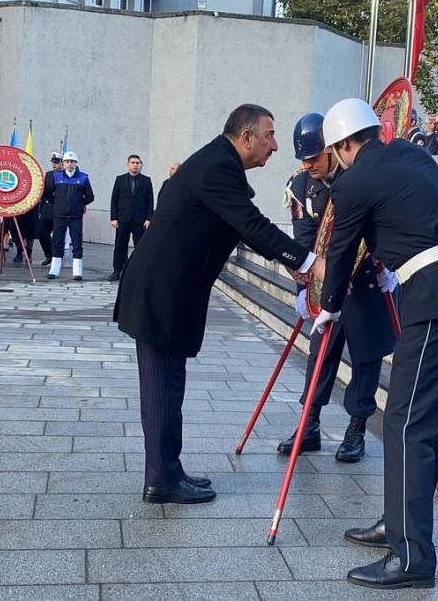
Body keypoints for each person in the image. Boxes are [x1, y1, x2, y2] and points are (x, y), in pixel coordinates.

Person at [310, 98, 438, 589]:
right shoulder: (413, 158)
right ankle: (400, 523)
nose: (337, 158)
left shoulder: (352, 183)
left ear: (345, 145)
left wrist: (327, 306)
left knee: (406, 421)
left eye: (334, 150)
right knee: (428, 422)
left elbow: (342, 249)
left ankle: (411, 556)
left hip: (435, 295)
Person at [114, 104, 315, 505]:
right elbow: (252, 223)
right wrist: (307, 261)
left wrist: (289, 263)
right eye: (269, 135)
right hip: (160, 292)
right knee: (160, 389)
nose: (275, 145)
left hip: (169, 291)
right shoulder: (218, 166)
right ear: (245, 137)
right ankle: (161, 479)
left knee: (170, 386)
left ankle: (169, 469)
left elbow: (240, 226)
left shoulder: (217, 162)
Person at [278, 112, 396, 463]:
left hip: (365, 282)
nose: (309, 164)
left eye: (315, 156)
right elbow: (302, 242)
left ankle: (356, 428)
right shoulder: (301, 186)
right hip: (323, 283)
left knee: (366, 357)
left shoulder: (363, 175)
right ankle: (309, 424)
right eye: (304, 158)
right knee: (320, 356)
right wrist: (304, 287)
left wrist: (385, 263)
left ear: (332, 149)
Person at [45, 150, 94, 280]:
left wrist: (78, 203)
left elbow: (90, 196)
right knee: (57, 242)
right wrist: (58, 203)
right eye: (67, 161)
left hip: (75, 216)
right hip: (59, 215)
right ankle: (54, 270)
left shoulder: (83, 177)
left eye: (72, 162)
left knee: (77, 243)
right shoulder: (56, 177)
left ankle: (77, 271)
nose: (69, 164)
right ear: (63, 163)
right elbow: (48, 193)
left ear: (76, 163)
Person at [108, 154, 154, 281]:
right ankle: (117, 270)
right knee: (120, 246)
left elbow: (150, 201)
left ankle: (138, 271)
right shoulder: (120, 179)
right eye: (133, 162)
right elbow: (114, 199)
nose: (135, 165)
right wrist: (113, 217)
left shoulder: (146, 181)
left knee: (139, 246)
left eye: (137, 163)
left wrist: (149, 218)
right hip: (122, 219)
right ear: (128, 164)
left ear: (141, 165)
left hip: (140, 221)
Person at [36, 152, 60, 266]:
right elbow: (44, 191)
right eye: (53, 162)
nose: (54, 165)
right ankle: (49, 254)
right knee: (42, 233)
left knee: (57, 237)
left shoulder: (66, 175)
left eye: (57, 162)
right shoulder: (49, 174)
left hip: (60, 209)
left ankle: (56, 258)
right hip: (48, 208)